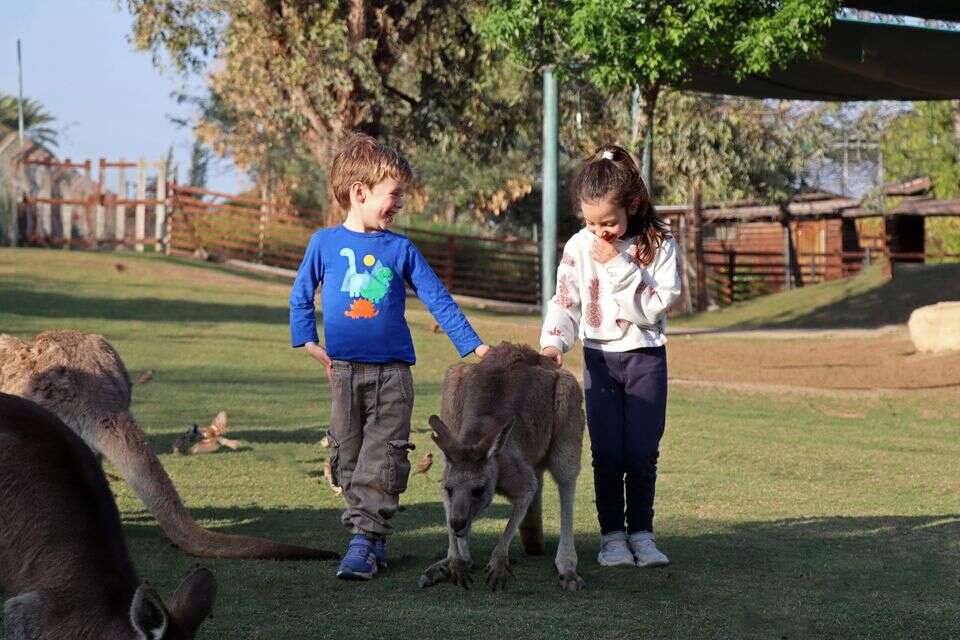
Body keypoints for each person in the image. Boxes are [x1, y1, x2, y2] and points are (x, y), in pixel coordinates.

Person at [289, 132, 489, 580]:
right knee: (347, 462)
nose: (399, 204)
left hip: (393, 378)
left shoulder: (401, 250)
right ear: (360, 192)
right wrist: (308, 341)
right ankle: (374, 538)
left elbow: (438, 299)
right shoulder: (323, 244)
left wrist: (474, 345)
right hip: (343, 373)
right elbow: (300, 296)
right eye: (393, 194)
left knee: (382, 460)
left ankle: (361, 543)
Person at [540, 145, 681, 568]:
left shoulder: (660, 243)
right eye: (590, 222)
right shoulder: (580, 246)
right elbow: (566, 300)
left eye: (609, 222)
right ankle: (612, 538)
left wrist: (618, 264)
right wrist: (553, 343)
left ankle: (642, 534)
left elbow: (654, 306)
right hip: (600, 360)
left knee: (641, 452)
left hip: (645, 358)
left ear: (632, 205)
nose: (599, 231)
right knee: (606, 452)